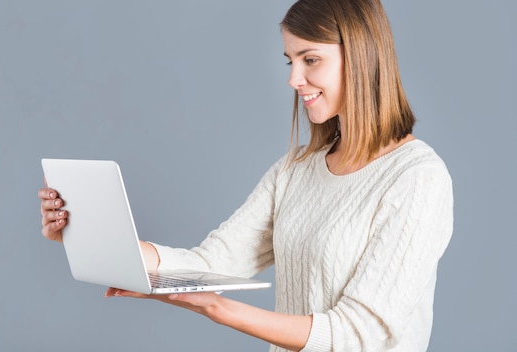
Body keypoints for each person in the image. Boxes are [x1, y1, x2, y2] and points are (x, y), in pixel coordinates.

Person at [38, 0, 453, 350]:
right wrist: (87, 231)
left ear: (362, 57)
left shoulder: (417, 179)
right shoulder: (295, 171)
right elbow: (211, 262)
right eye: (291, 60)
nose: (294, 79)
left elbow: (357, 332)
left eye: (311, 60)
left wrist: (217, 307)